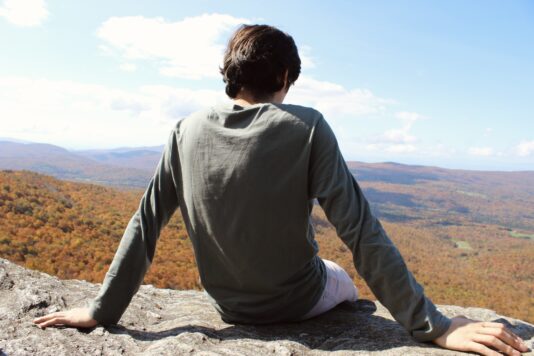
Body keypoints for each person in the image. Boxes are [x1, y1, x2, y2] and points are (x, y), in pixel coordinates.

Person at [33, 24, 528, 356]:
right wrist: (434, 326)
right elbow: (360, 230)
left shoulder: (184, 130)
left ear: (231, 75)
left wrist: (102, 311)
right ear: (285, 77)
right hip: (296, 301)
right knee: (339, 275)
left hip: (226, 304)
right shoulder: (306, 126)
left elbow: (146, 225)